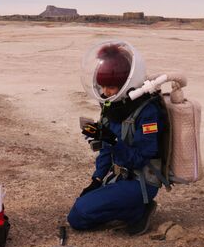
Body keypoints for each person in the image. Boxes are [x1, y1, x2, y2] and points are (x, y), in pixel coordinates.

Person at [67, 41, 164, 235]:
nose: (105, 92)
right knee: (80, 207)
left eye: (110, 87)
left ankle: (138, 211)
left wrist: (113, 141)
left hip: (140, 182)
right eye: (102, 87)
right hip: (119, 177)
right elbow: (104, 149)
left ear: (125, 84)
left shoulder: (147, 112)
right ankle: (123, 205)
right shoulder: (113, 107)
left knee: (78, 216)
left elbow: (140, 158)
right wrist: (96, 179)